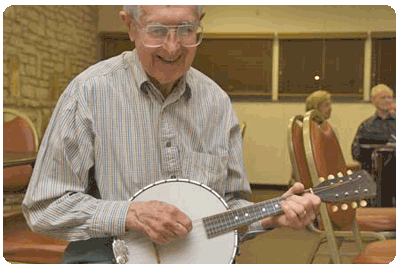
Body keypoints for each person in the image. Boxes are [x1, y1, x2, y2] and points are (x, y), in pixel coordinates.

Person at [22, 5, 321, 264]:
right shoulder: (89, 93)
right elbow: (45, 207)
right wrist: (129, 215)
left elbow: (226, 208)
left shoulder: (216, 103)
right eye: (157, 30)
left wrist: (269, 216)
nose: (172, 47)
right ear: (130, 26)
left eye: (186, 30)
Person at [351, 84, 396, 207]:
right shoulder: (366, 126)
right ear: (373, 101)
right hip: (375, 177)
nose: (387, 100)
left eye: (389, 97)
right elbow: (356, 151)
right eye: (383, 97)